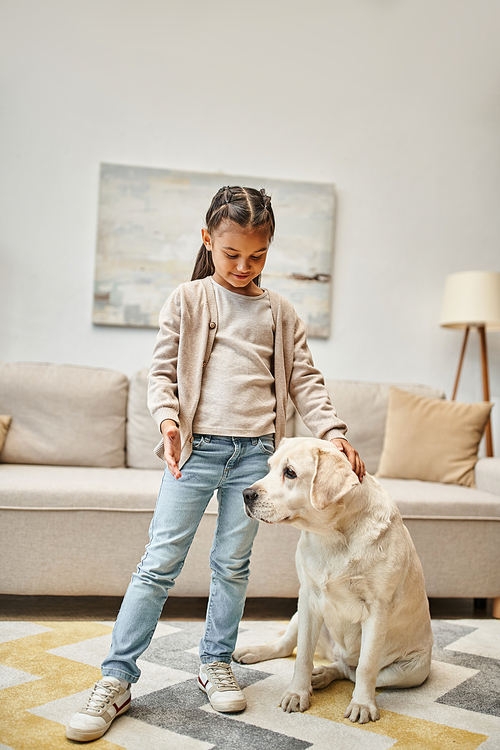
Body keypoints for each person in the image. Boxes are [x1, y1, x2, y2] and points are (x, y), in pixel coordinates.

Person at [66, 185, 366, 742]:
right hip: (195, 450)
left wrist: (333, 431)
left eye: (257, 256)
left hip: (256, 458)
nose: (243, 267)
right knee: (158, 565)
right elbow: (161, 374)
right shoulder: (187, 298)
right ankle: (115, 678)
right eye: (232, 255)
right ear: (209, 240)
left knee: (232, 565)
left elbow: (305, 380)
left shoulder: (280, 311)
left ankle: (215, 661)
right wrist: (169, 422)